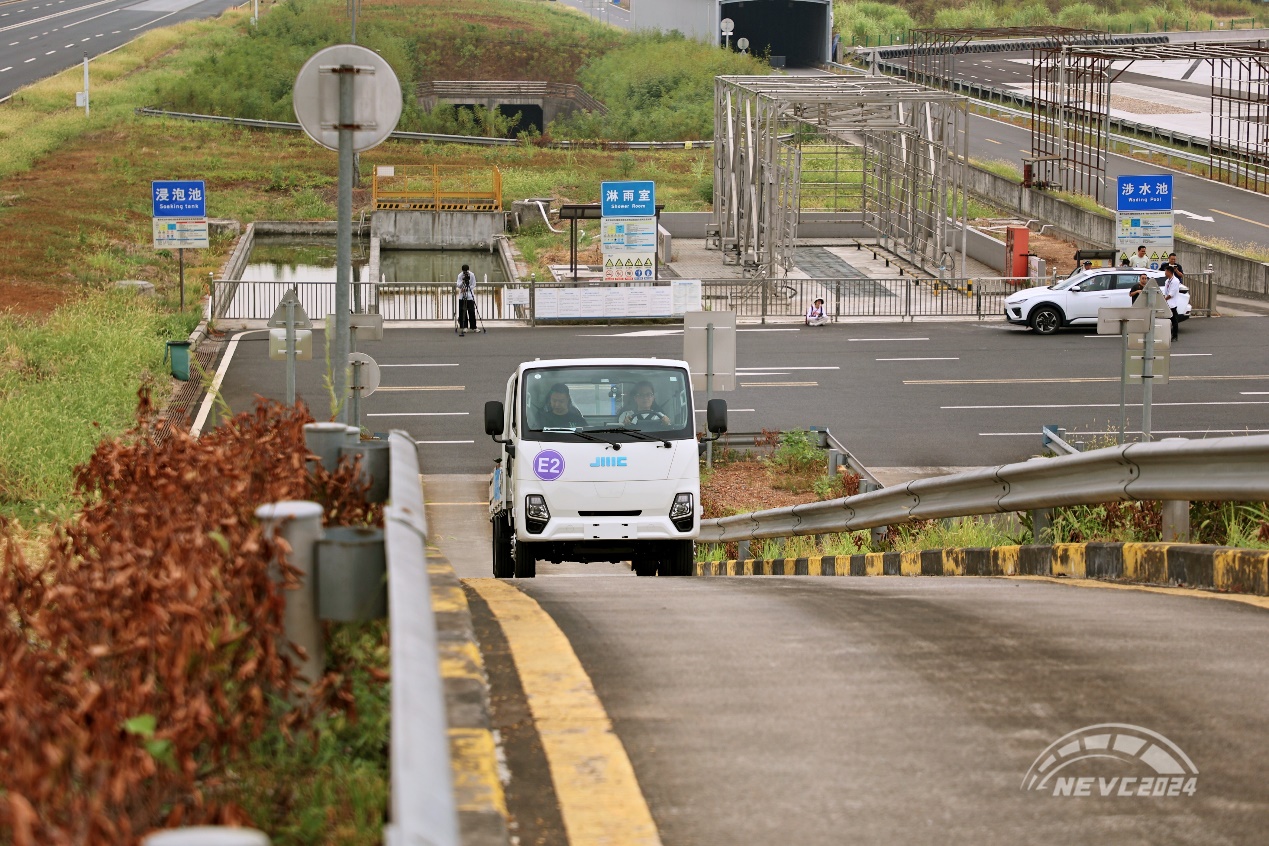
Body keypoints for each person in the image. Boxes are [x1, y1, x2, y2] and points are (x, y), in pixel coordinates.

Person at [456, 264, 477, 336]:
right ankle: (464, 326)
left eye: (466, 271)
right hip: (462, 297)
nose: (465, 273)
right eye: (464, 271)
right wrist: (462, 281)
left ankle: (474, 327)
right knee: (463, 312)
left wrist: (467, 289)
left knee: (471, 311)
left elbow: (474, 284)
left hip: (470, 296)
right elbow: (458, 285)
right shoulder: (460, 275)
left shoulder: (472, 275)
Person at [1161, 266, 1181, 341]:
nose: (1165, 273)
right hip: (1167, 303)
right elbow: (1166, 292)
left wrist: (1164, 299)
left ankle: (1175, 336)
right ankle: (1168, 335)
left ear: (1169, 272)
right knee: (1167, 320)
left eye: (1166, 271)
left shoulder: (1175, 281)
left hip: (1172, 303)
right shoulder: (1167, 281)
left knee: (1174, 320)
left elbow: (1171, 294)